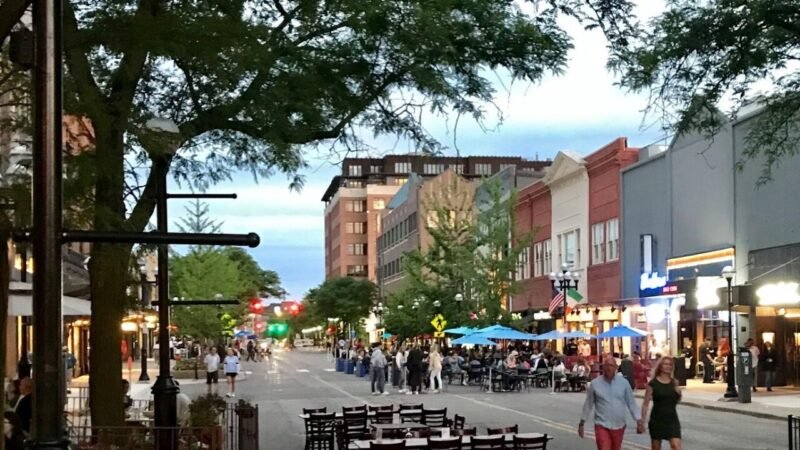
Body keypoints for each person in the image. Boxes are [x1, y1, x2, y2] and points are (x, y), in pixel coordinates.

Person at [579, 357, 643, 450]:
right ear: (603, 367)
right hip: (602, 425)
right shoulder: (595, 384)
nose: (609, 368)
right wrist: (582, 422)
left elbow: (631, 403)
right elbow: (588, 404)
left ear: (616, 367)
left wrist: (638, 421)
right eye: (606, 365)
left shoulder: (623, 383)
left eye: (611, 366)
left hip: (619, 425)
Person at [641, 356, 682, 450]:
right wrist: (642, 421)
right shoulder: (653, 383)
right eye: (665, 364)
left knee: (676, 446)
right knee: (656, 447)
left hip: (672, 420)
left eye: (670, 364)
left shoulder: (674, 383)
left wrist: (678, 392)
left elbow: (676, 400)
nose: (668, 366)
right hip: (657, 420)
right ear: (660, 366)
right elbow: (645, 404)